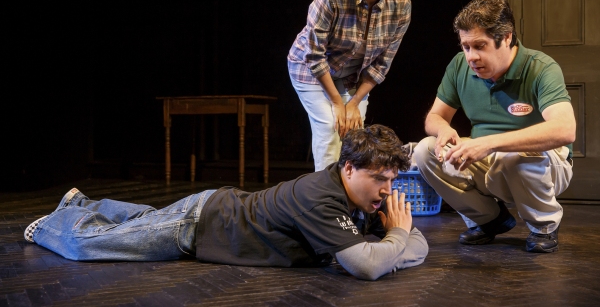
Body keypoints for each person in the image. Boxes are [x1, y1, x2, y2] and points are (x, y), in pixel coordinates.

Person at [25, 124, 428, 281]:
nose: (387, 189)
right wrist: (397, 235)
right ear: (348, 169)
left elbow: (416, 247)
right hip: (199, 226)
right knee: (88, 246)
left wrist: (395, 241)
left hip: (215, 209)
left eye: (392, 178)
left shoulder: (363, 199)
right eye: (379, 178)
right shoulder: (320, 197)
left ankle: (80, 203)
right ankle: (49, 224)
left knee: (147, 217)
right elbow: (368, 265)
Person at [413, 0, 576, 253]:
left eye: (480, 46)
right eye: (466, 47)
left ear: (507, 38)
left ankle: (543, 225)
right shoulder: (459, 66)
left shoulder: (541, 68)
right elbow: (435, 117)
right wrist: (444, 129)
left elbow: (565, 129)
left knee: (510, 156)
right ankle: (489, 219)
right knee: (425, 150)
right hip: (490, 158)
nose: (471, 56)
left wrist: (488, 144)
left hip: (545, 163)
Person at [287, 0, 411, 171]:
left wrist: (353, 102)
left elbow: (382, 63)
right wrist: (336, 101)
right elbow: (313, 55)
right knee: (329, 126)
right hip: (310, 70)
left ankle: (350, 199)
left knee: (354, 134)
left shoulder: (401, 5)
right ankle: (326, 200)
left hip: (352, 76)